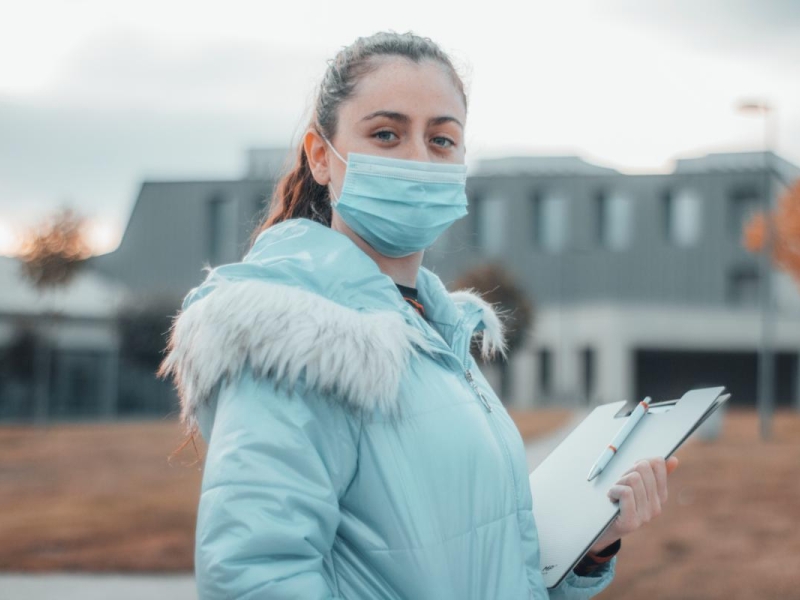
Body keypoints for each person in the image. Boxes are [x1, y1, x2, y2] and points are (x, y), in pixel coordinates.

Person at [159, 31, 679, 600]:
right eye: (386, 134)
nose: (417, 159)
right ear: (320, 157)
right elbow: (253, 578)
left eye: (441, 139)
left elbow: (484, 564)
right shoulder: (295, 337)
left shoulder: (437, 335)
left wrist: (591, 544)